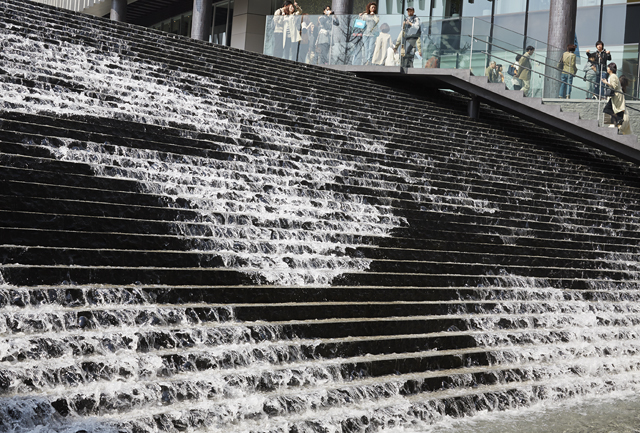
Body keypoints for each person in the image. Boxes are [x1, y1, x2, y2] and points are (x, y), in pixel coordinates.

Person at [601, 62, 626, 131]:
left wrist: (606, 83)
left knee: (607, 109)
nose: (607, 69)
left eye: (608, 67)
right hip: (614, 97)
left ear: (611, 69)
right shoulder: (613, 76)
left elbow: (614, 86)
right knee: (612, 110)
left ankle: (619, 119)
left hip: (616, 96)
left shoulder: (613, 76)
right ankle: (618, 123)